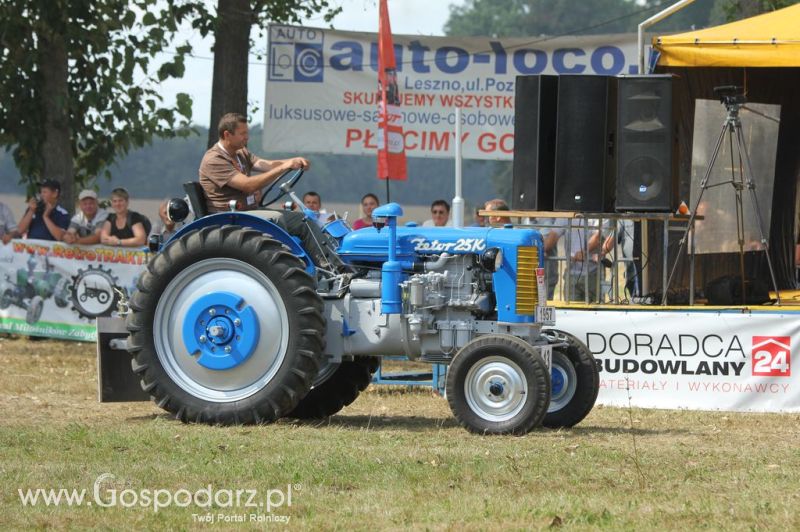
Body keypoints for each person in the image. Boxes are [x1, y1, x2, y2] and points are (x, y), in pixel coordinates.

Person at [198, 112, 345, 272]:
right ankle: (285, 271)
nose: (247, 137)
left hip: (250, 212)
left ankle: (332, 269)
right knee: (276, 219)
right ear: (227, 134)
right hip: (230, 217)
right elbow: (248, 185)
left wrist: (292, 162)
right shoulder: (214, 159)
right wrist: (283, 167)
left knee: (303, 220)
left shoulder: (240, 153)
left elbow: (265, 164)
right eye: (243, 134)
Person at [566, 219, 613, 303]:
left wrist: (584, 251)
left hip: (593, 275)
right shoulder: (570, 213)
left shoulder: (601, 215)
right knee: (573, 310)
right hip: (572, 274)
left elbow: (598, 236)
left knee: (595, 310)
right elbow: (554, 232)